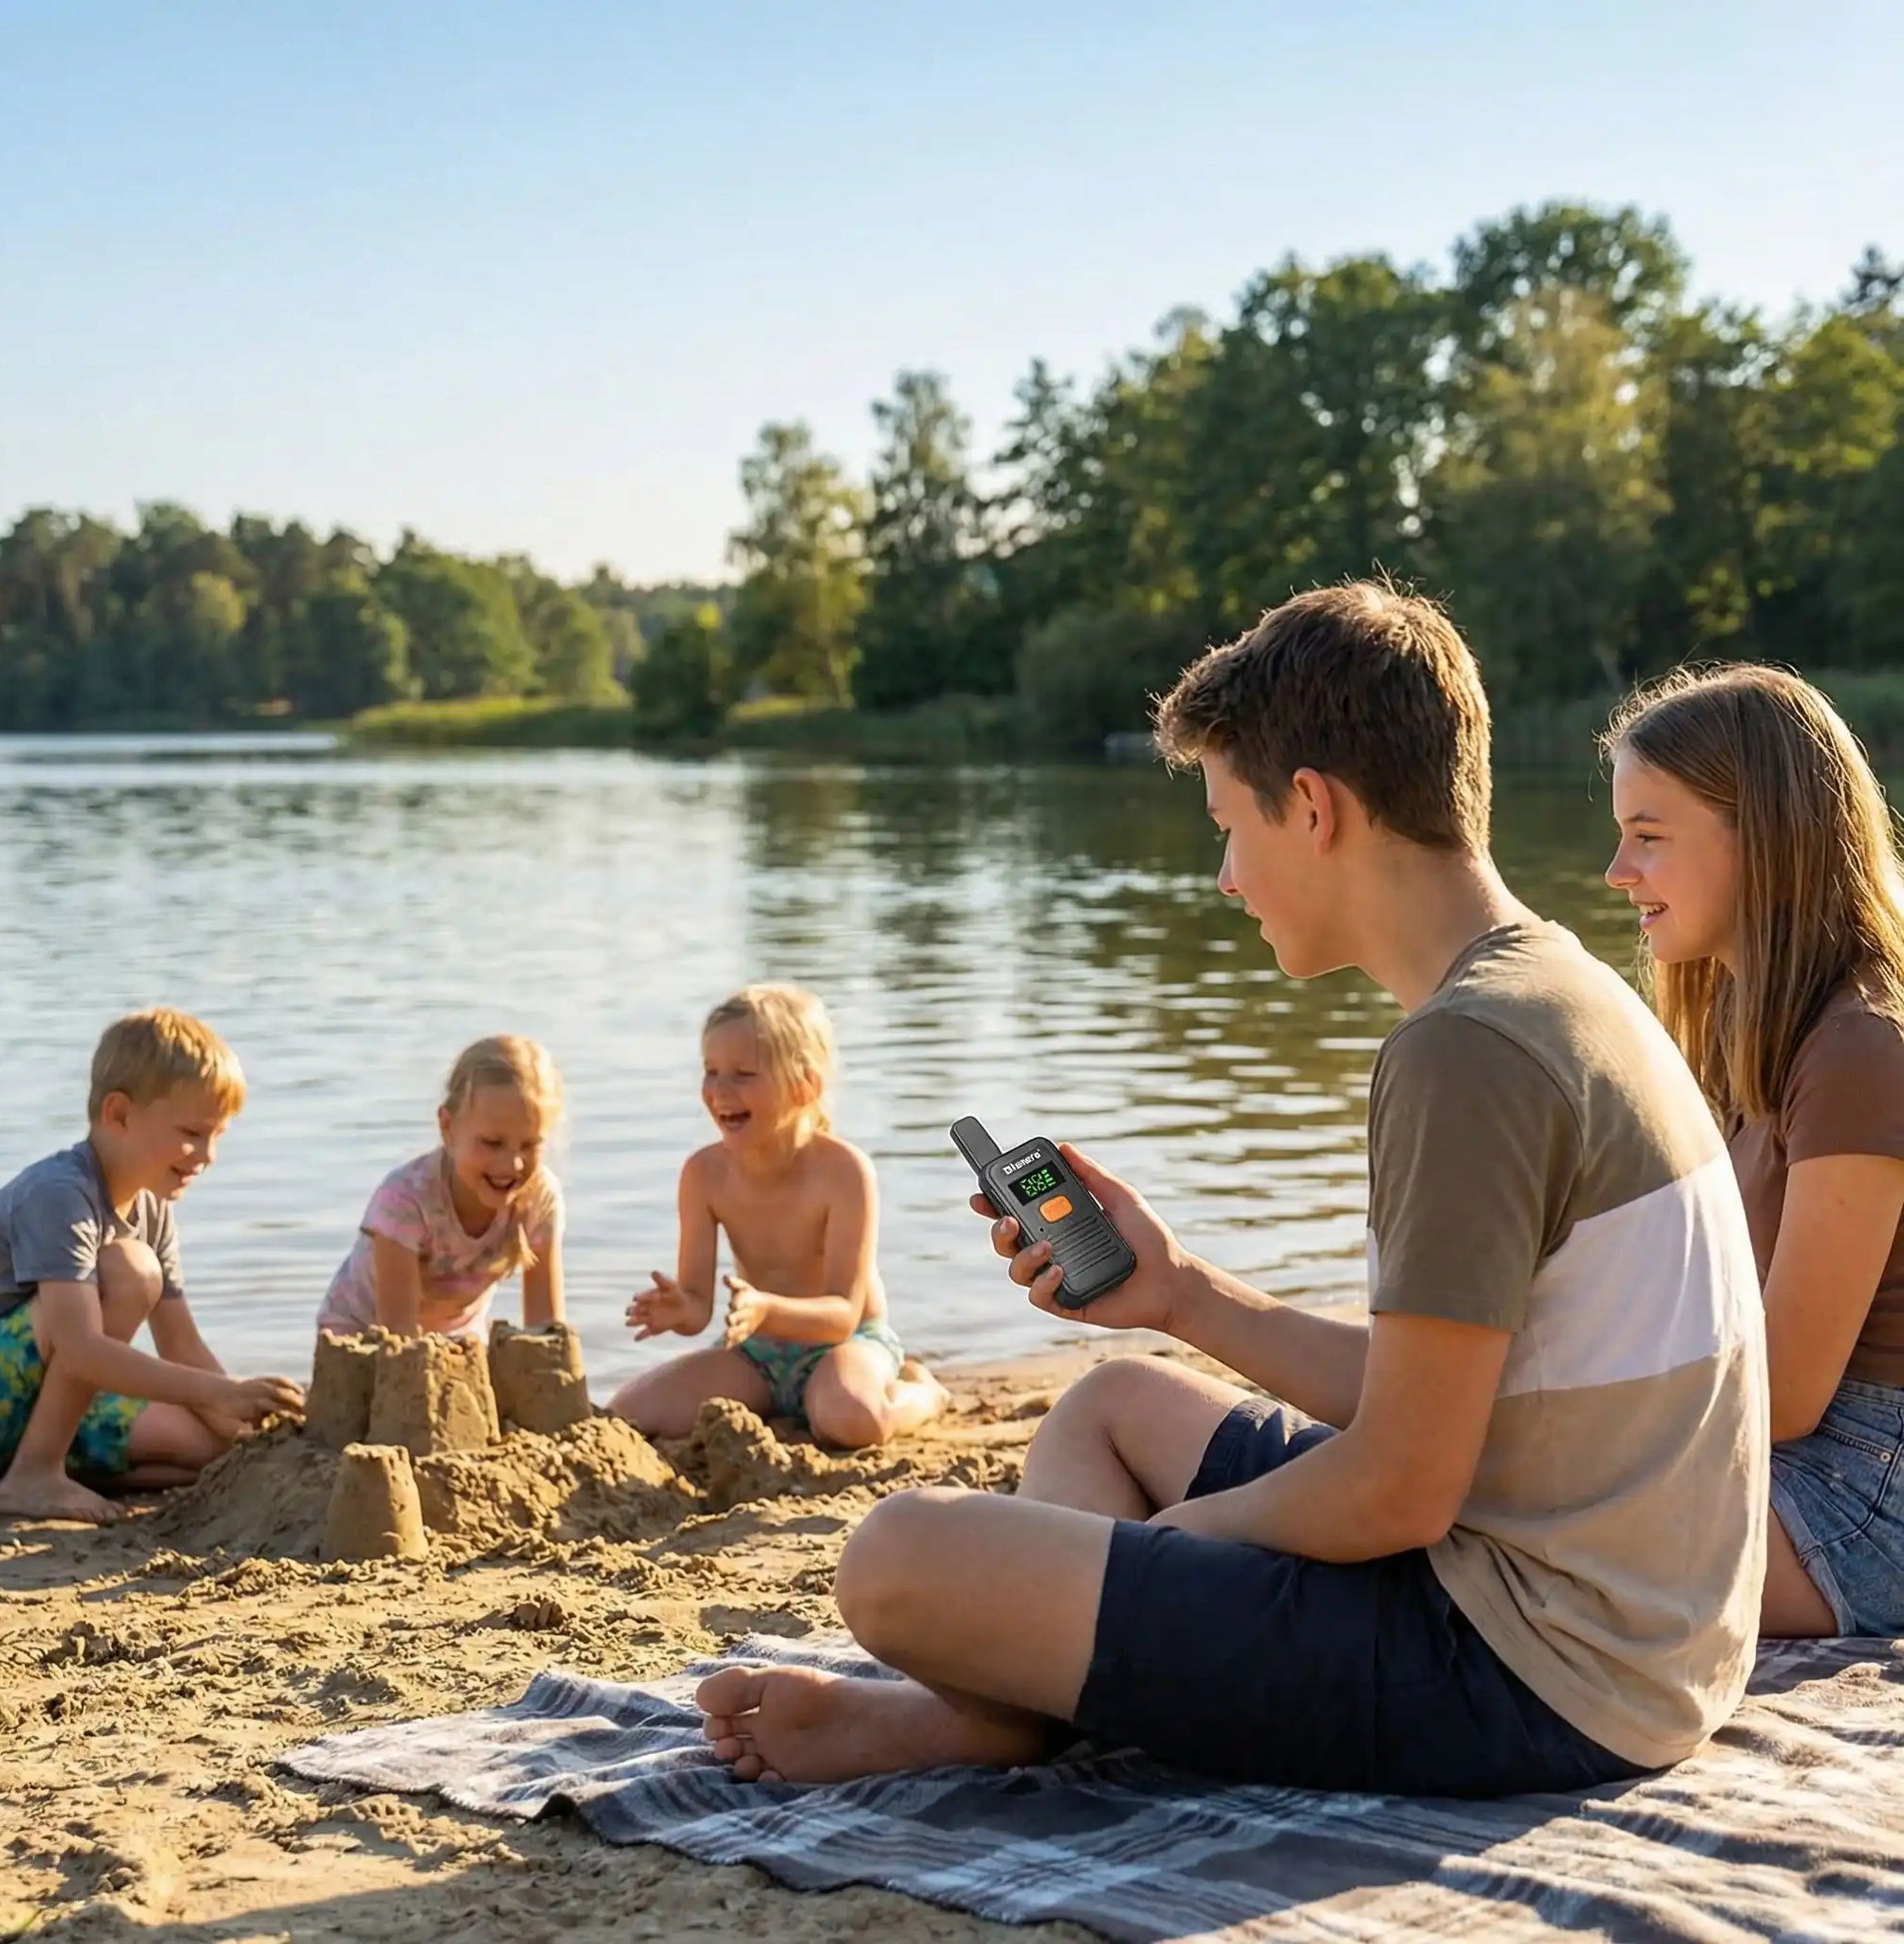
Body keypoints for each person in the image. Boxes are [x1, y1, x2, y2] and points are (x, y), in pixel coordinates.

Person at [695, 583, 1768, 1795]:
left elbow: (1399, 1487)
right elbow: (1448, 1397)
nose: (1221, 875)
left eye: (1225, 824)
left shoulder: (1462, 1051)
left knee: (895, 1556)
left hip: (1530, 1671)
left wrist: (1156, 1557)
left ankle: (1007, 1705)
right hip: (1633, 1633)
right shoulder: (1554, 988)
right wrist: (1180, 1294)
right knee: (1107, 1406)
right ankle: (1014, 1703)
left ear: (1310, 806)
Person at [1605, 665, 1904, 1639]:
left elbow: (1782, 1391)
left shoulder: (1860, 1042)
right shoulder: (1753, 1020)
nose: (1616, 871)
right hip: (1789, 1452)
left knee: (1503, 1524)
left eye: (1648, 837)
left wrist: (1561, 1418)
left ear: (1763, 838)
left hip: (1861, 1491)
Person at [0, 1009, 305, 1525]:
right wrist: (220, 1392)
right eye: (192, 1131)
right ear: (118, 1115)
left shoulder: (152, 1208)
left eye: (218, 1135)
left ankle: (15, 1479)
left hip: (49, 1406)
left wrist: (251, 1420)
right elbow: (80, 1348)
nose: (207, 1155)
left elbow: (181, 1346)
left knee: (217, 1450)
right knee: (131, 1269)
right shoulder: (60, 1193)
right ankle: (35, 1472)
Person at [609, 984, 946, 1450]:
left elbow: (842, 1317)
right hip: (757, 1352)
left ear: (805, 1085)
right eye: (711, 1072)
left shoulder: (843, 1172)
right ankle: (781, 1405)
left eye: (743, 1074)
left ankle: (924, 1394)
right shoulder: (703, 1174)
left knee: (853, 1421)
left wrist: (767, 1309)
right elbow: (699, 1308)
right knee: (627, 1415)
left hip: (845, 1344)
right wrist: (681, 1309)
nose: (719, 1091)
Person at [316, 1036, 566, 1345]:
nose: (512, 1164)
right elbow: (398, 1340)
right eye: (492, 1143)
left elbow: (546, 1331)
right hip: (359, 1335)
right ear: (447, 1127)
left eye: (529, 1145)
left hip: (459, 1336)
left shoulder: (539, 1199)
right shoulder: (405, 1200)